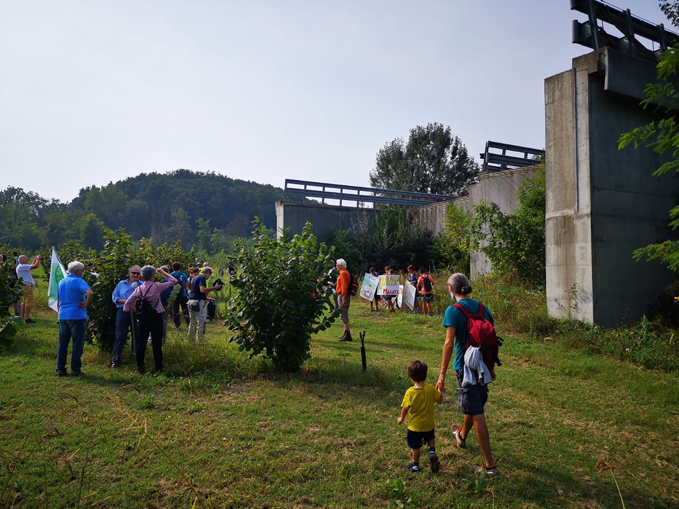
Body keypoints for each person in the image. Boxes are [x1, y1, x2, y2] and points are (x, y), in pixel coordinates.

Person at [436, 273, 499, 476]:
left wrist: (441, 375)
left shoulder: (453, 310)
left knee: (476, 412)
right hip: (482, 366)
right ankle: (461, 436)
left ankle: (490, 467)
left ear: (450, 289)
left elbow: (448, 344)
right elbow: (491, 340)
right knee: (473, 405)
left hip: (465, 368)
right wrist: (491, 367)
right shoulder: (483, 308)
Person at [124, 265, 176, 374]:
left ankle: (140, 366)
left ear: (142, 277)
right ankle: (158, 366)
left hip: (143, 318)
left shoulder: (139, 289)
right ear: (152, 276)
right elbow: (173, 281)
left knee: (141, 343)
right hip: (156, 317)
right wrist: (162, 272)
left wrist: (132, 311)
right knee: (157, 343)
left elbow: (128, 302)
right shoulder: (157, 287)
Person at [398, 360, 443, 473]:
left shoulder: (410, 392)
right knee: (431, 439)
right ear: (425, 375)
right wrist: (439, 391)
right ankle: (432, 452)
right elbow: (440, 401)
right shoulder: (430, 389)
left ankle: (415, 465)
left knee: (416, 447)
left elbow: (405, 408)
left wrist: (401, 418)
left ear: (410, 377)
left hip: (414, 427)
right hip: (428, 424)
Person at [56, 261, 94, 377]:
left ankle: (60, 369)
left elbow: (58, 301)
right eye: (82, 270)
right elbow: (90, 293)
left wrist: (60, 314)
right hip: (77, 316)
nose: (83, 272)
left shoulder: (62, 281)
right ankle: (75, 369)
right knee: (77, 344)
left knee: (63, 344)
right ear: (78, 271)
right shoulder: (79, 281)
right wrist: (86, 303)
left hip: (63, 315)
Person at [111, 265, 142, 368]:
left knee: (137, 335)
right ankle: (116, 359)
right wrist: (127, 302)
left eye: (138, 273)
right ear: (129, 273)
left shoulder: (142, 285)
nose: (135, 275)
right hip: (123, 311)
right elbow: (115, 297)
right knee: (120, 335)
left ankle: (137, 358)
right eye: (133, 273)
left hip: (137, 312)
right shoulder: (121, 284)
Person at [187, 267, 222, 342]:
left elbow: (195, 292)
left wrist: (207, 298)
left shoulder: (195, 278)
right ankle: (200, 341)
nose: (209, 276)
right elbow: (202, 290)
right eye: (210, 274)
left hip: (191, 301)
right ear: (208, 272)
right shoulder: (202, 278)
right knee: (201, 322)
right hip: (198, 303)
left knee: (192, 322)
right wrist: (214, 288)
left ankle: (191, 340)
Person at [16, 254, 41, 323]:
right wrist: (38, 259)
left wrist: (35, 258)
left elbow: (32, 265)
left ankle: (22, 317)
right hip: (27, 286)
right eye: (26, 258)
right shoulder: (22, 266)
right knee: (29, 301)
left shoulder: (21, 266)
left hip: (24, 286)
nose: (27, 259)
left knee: (24, 302)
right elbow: (36, 266)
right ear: (22, 260)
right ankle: (27, 317)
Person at [335, 259, 352, 342]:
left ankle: (347, 334)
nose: (336, 266)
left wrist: (343, 297)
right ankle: (346, 333)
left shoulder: (343, 273)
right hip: (343, 295)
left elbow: (344, 286)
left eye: (337, 264)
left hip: (342, 295)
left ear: (341, 265)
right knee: (343, 314)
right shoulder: (344, 272)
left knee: (343, 314)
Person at [170, 262, 190, 330]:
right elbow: (186, 284)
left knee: (175, 310)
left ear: (173, 267)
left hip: (174, 295)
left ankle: (177, 325)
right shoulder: (183, 274)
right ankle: (189, 323)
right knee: (185, 310)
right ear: (179, 267)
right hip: (183, 294)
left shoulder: (171, 275)